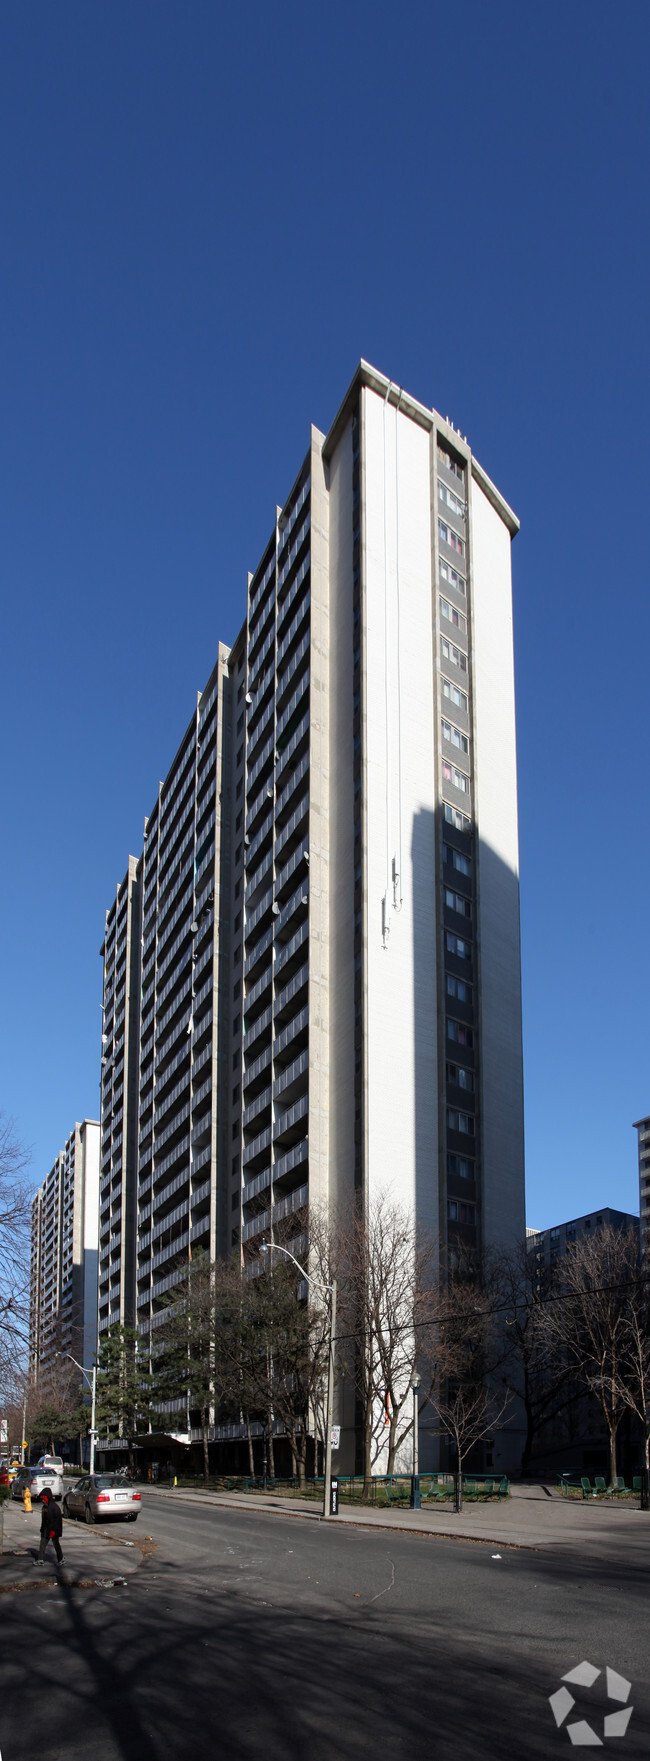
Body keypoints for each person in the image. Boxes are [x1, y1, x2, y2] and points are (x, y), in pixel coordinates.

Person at [36, 1488, 64, 1567]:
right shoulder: (44, 1508)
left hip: (53, 1529)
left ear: (47, 1498)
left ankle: (61, 1559)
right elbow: (44, 1520)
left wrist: (54, 1531)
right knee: (42, 1543)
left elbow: (57, 1520)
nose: (42, 1501)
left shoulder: (54, 1507)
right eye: (42, 1499)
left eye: (43, 1499)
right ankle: (40, 1559)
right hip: (46, 1529)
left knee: (56, 1544)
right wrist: (42, 1529)